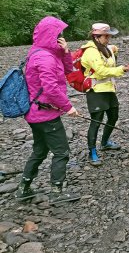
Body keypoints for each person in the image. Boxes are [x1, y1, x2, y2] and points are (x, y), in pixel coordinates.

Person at [16, 16, 80, 204]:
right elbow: (51, 88)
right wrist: (68, 107)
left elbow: (68, 70)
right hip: (45, 114)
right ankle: (56, 192)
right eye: (59, 34)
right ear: (52, 35)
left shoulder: (41, 52)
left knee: (40, 150)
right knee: (61, 152)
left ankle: (23, 189)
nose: (61, 36)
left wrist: (66, 51)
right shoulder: (45, 57)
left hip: (35, 113)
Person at [80, 23, 129, 165]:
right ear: (97, 37)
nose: (109, 38)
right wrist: (121, 69)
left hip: (109, 89)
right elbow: (101, 71)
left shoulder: (105, 48)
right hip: (96, 91)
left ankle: (104, 143)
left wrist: (114, 50)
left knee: (113, 116)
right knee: (96, 121)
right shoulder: (91, 52)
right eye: (106, 36)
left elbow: (111, 54)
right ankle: (92, 152)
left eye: (109, 36)